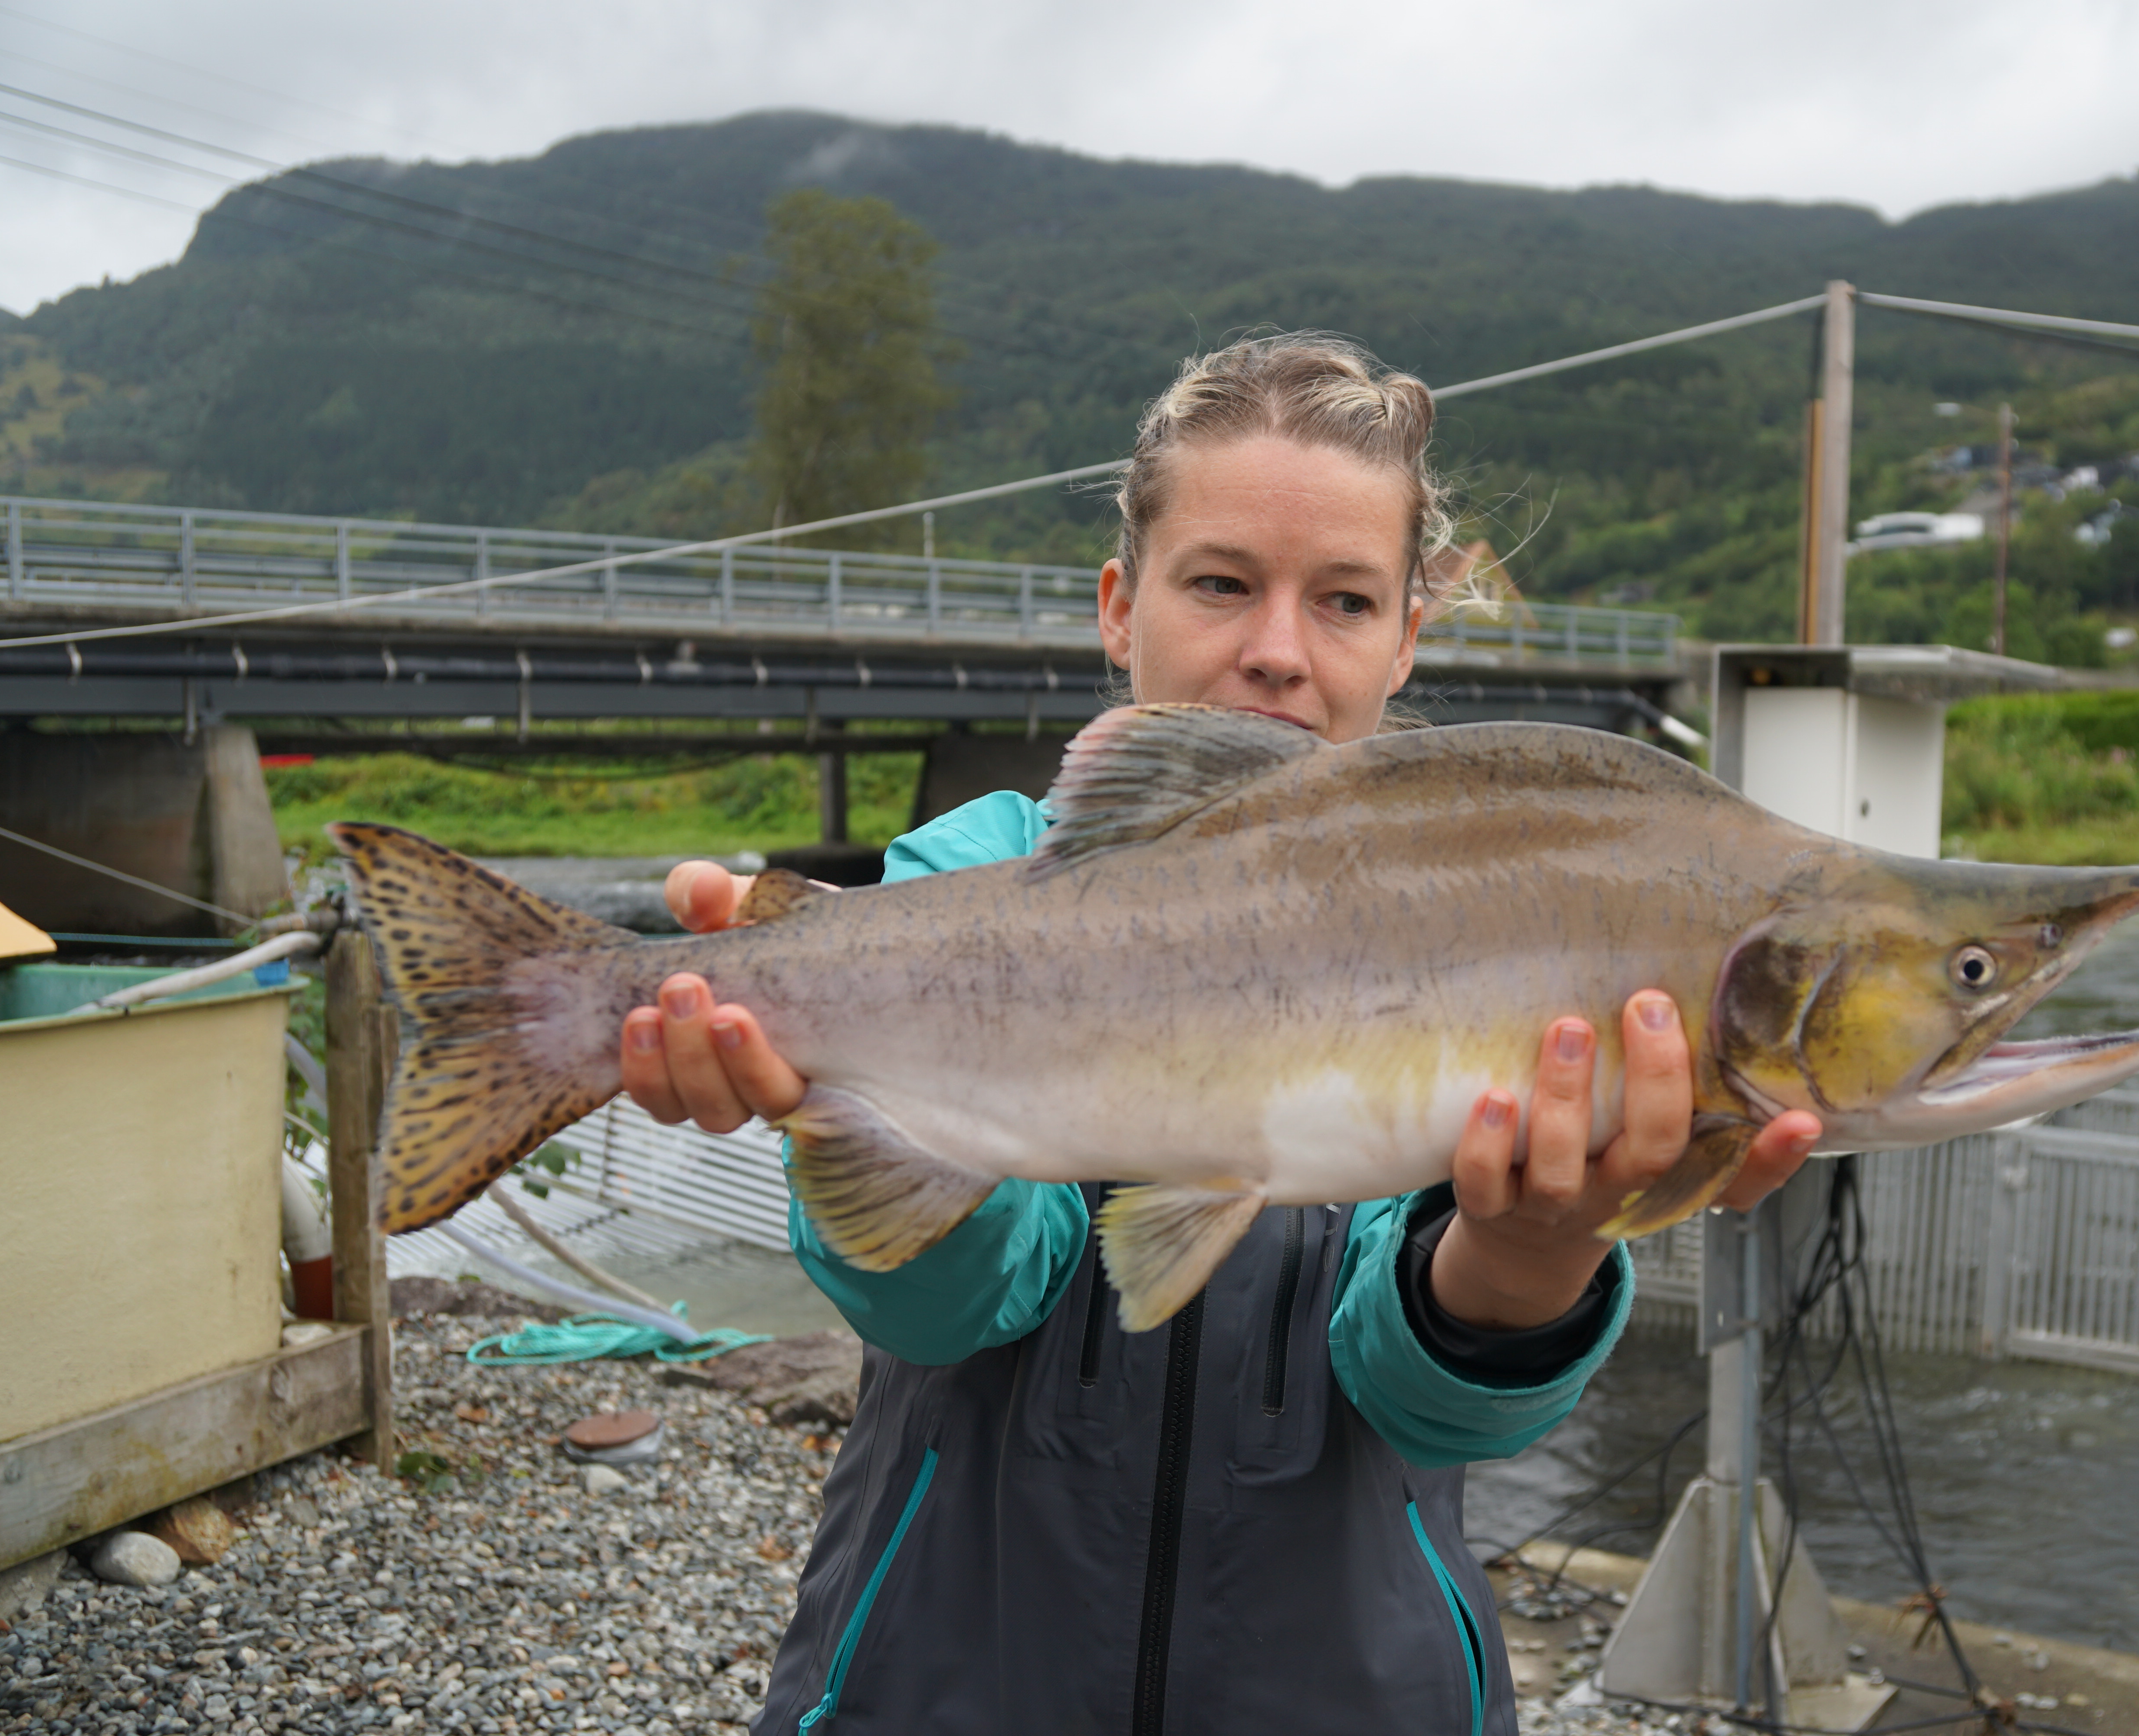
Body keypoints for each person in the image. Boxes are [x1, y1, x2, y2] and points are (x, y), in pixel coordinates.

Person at [620, 335, 1821, 1734]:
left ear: (1406, 640)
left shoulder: (1508, 926)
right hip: (944, 1683)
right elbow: (941, 1308)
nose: (1276, 653)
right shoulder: (960, 885)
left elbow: (1429, 1405)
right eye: (1222, 584)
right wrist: (832, 1111)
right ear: (1121, 607)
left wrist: (1537, 1249)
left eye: (1347, 601)